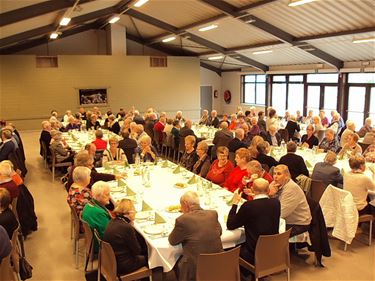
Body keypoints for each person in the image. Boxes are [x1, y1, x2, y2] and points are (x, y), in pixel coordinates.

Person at [168, 191, 223, 281]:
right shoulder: (212, 214)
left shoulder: (182, 220)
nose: (181, 209)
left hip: (195, 268)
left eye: (181, 206)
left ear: (185, 204)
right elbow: (219, 232)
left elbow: (172, 241)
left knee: (176, 260)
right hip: (218, 263)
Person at [227, 178, 280, 265]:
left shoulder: (249, 206)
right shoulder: (276, 203)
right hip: (272, 249)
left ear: (252, 189)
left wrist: (235, 203)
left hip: (253, 252)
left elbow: (230, 225)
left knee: (230, 248)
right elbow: (263, 208)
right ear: (268, 190)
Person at [104, 199, 148, 275]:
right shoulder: (126, 227)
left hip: (110, 261)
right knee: (153, 258)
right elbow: (137, 251)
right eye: (134, 211)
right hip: (123, 265)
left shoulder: (113, 221)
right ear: (129, 213)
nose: (135, 213)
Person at [269, 165, 311, 236]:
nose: (275, 176)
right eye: (274, 173)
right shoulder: (274, 184)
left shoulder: (291, 189)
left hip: (298, 223)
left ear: (286, 176)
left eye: (279, 174)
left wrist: (271, 196)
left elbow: (281, 214)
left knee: (266, 230)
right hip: (285, 220)